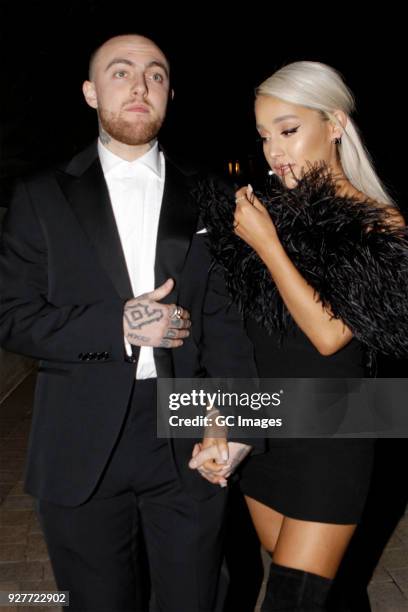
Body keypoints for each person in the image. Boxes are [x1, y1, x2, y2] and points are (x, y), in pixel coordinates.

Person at [0, 34, 258, 612]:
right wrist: (116, 326)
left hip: (189, 429)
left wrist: (238, 424)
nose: (140, 86)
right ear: (91, 93)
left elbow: (230, 327)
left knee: (196, 599)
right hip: (77, 440)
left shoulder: (212, 194)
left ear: (170, 94)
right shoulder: (40, 196)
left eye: (156, 74)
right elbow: (11, 317)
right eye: (120, 73)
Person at [192, 61, 408, 610]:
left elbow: (331, 335)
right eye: (264, 136)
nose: (273, 151)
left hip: (335, 435)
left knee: (290, 598)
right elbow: (232, 338)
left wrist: (267, 244)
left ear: (334, 124)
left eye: (288, 131)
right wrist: (220, 420)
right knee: (328, 596)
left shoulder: (379, 224)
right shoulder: (265, 216)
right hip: (266, 426)